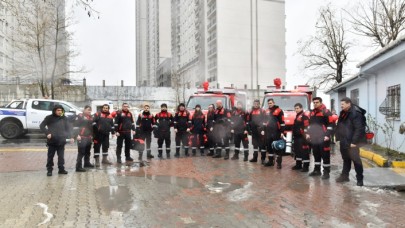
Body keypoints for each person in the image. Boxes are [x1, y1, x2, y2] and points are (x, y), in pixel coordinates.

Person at [335, 97, 367, 186]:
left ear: (349, 103)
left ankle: (359, 179)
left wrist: (354, 142)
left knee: (356, 161)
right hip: (344, 140)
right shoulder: (343, 113)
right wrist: (337, 138)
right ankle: (345, 176)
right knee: (346, 159)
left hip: (352, 142)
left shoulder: (356, 113)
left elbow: (359, 129)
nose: (341, 106)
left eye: (343, 104)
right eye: (341, 104)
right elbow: (340, 125)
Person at [40, 105, 74, 176]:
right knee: (50, 157)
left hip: (61, 140)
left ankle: (61, 169)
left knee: (61, 156)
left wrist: (71, 137)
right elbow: (42, 126)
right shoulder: (49, 118)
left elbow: (68, 128)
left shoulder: (64, 118)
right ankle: (49, 170)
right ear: (54, 111)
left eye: (61, 110)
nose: (60, 112)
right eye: (58, 110)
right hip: (52, 141)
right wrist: (47, 133)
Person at [306, 97, 334, 179]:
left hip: (323, 137)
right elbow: (310, 125)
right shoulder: (312, 113)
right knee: (316, 154)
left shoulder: (326, 112)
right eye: (314, 102)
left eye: (317, 102)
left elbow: (331, 124)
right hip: (314, 138)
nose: (315, 104)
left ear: (321, 103)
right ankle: (317, 170)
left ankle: (326, 172)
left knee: (325, 155)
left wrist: (327, 135)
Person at [263, 98, 285, 168]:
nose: (270, 104)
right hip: (268, 132)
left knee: (277, 147)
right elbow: (264, 122)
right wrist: (263, 130)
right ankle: (270, 161)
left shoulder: (279, 111)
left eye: (271, 103)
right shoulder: (266, 111)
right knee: (269, 147)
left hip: (276, 132)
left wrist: (282, 132)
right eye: (269, 103)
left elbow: (282, 122)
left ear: (274, 103)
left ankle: (279, 163)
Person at [74, 105, 94, 172]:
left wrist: (92, 135)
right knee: (81, 152)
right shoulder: (80, 116)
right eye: (88, 110)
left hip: (88, 137)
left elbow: (91, 127)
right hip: (81, 137)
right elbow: (75, 126)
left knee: (87, 152)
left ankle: (86, 163)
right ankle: (78, 167)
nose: (89, 111)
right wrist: (77, 135)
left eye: (90, 110)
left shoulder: (90, 117)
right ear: (84, 110)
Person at [291, 103, 310, 172]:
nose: (296, 110)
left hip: (302, 137)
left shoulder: (304, 116)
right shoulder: (297, 116)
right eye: (295, 108)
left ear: (301, 108)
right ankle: (298, 164)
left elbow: (307, 126)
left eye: (297, 108)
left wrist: (306, 135)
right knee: (297, 151)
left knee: (304, 152)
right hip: (297, 137)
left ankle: (306, 166)